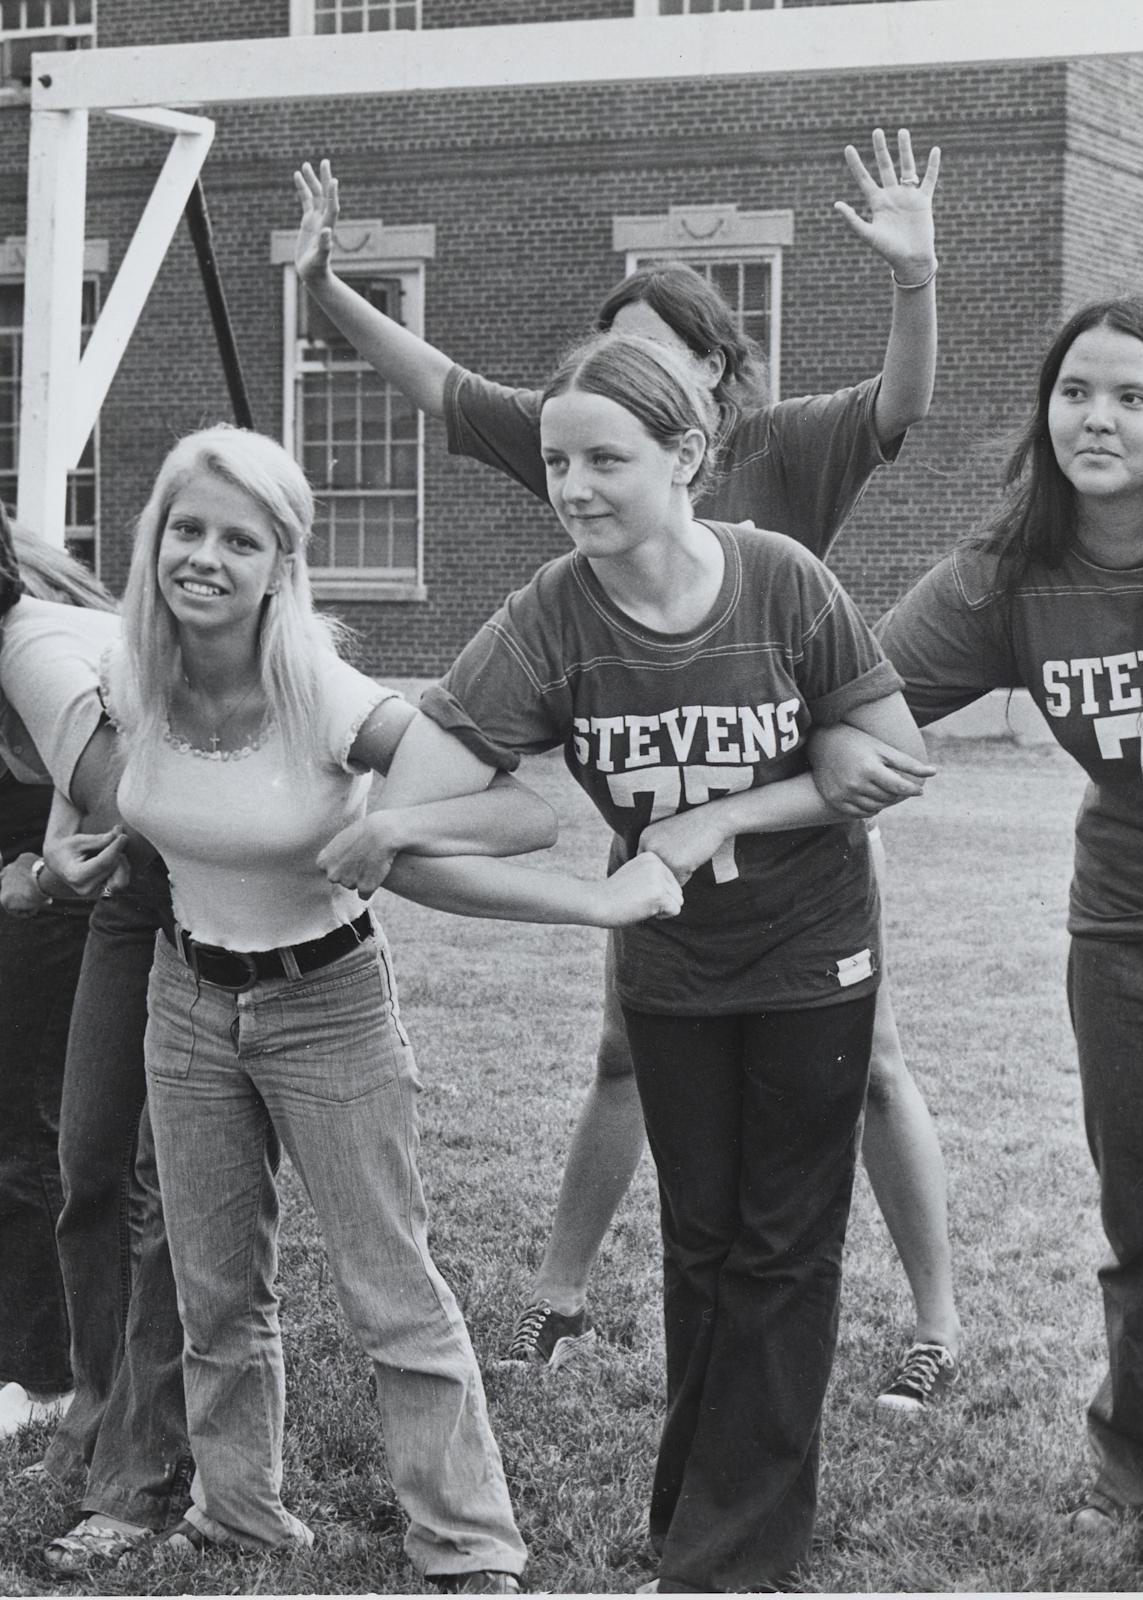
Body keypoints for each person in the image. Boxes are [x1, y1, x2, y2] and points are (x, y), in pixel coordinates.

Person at [293, 130, 963, 1408]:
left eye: (654, 355)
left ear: (708, 385)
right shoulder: (585, 455)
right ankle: (559, 1294)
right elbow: (441, 384)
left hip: (799, 816)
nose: (592, 448)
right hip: (656, 819)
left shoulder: (784, 450)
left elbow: (905, 403)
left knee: (868, 1065)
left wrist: (915, 279)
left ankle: (933, 1320)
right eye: (575, 434)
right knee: (628, 1054)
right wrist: (327, 291)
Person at [326, 330, 931, 1592]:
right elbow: (418, 822)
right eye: (557, 463)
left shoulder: (780, 580)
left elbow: (890, 755)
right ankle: (701, 1533)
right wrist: (578, 900)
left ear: (689, 454)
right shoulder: (547, 619)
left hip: (813, 955)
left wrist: (726, 812)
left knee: (785, 1245)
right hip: (670, 967)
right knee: (704, 1243)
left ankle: (729, 1559)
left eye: (607, 458)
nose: (576, 488)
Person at [60, 422, 680, 1589]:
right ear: (152, 543)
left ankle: (467, 1545)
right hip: (186, 999)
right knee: (212, 1289)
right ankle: (236, 1509)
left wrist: (391, 822)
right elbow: (111, 793)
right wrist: (76, 845)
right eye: (185, 530)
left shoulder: (330, 695)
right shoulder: (126, 674)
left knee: (390, 1289)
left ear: (282, 565)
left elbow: (523, 811)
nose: (204, 557)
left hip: (325, 999)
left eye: (239, 540)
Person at [823, 295, 1143, 1587]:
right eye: (1077, 391)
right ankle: (1129, 1467)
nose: (1098, 417)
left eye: (1133, 395)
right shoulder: (1012, 568)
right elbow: (859, 692)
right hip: (1124, 930)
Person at [0, 521, 115, 1439]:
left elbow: (119, 795)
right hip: (46, 894)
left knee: (29, 1130)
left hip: (63, 907)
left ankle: (45, 1375)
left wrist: (34, 875)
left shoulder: (35, 646)